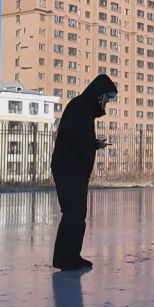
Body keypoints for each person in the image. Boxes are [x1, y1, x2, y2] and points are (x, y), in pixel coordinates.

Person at [50, 74, 117, 271]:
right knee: (73, 213)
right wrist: (90, 144)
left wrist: (93, 144)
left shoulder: (85, 110)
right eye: (107, 98)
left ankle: (72, 255)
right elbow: (74, 137)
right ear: (99, 95)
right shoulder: (79, 107)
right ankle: (64, 258)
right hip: (68, 169)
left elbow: (79, 138)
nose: (106, 103)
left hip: (75, 170)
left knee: (78, 214)